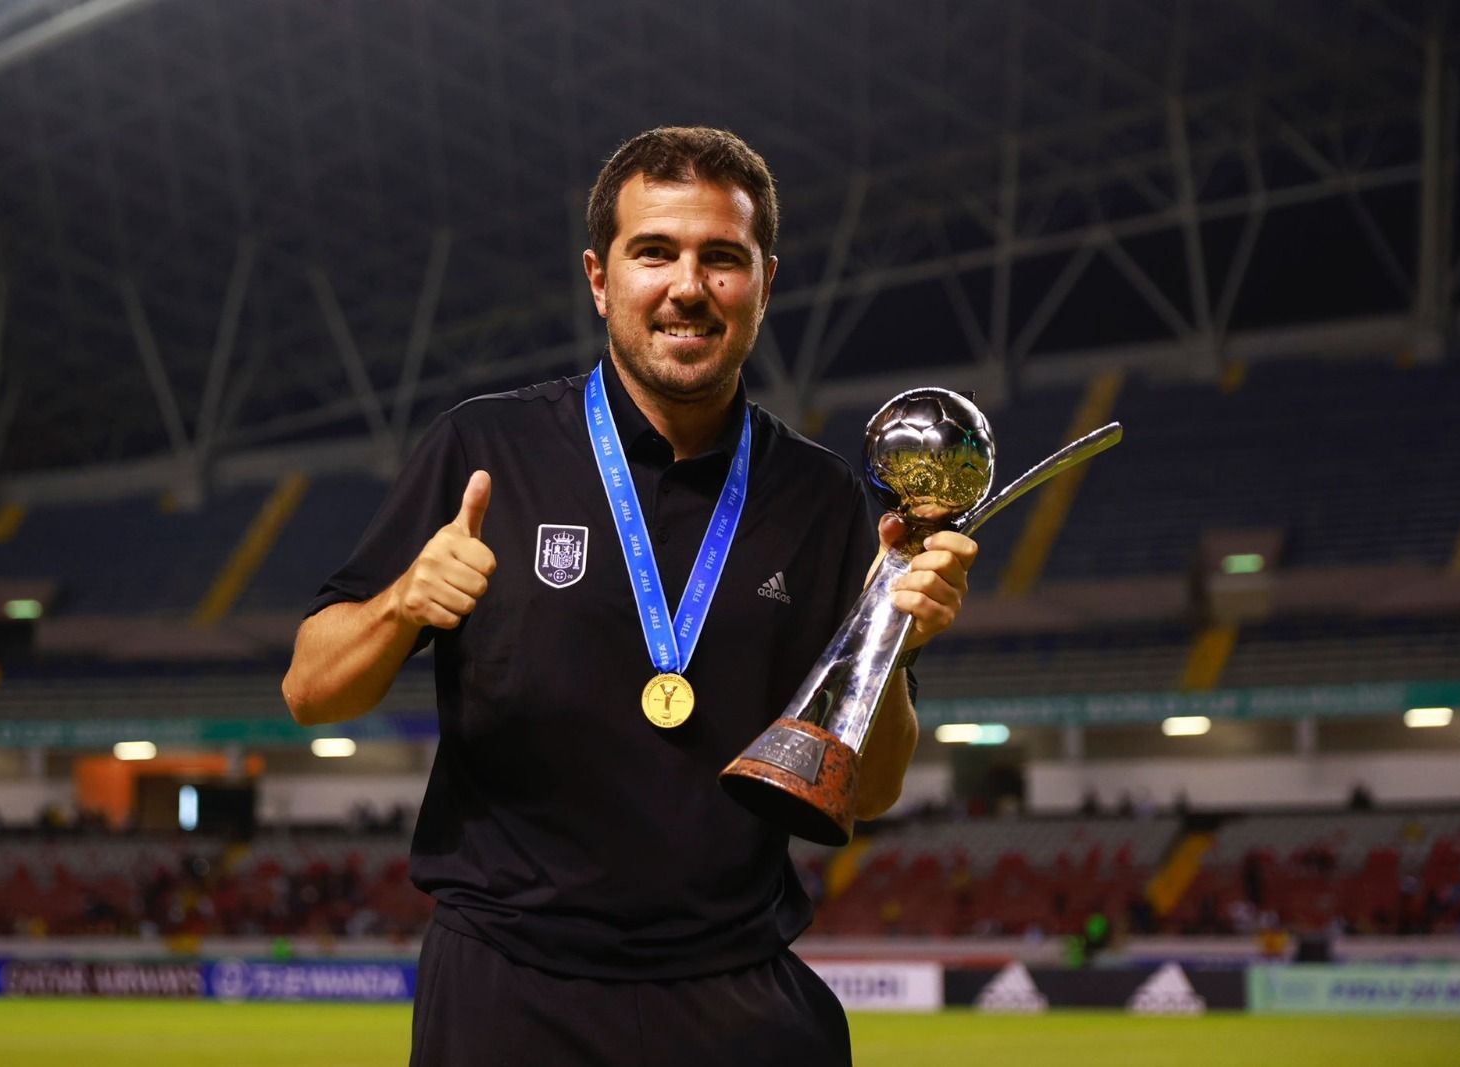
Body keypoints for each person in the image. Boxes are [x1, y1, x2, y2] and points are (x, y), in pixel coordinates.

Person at [283, 126, 977, 1066]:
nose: (688, 286)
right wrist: (405, 598)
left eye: (721, 259)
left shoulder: (821, 500)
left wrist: (886, 643)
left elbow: (875, 787)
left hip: (734, 992)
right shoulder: (487, 450)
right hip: (509, 991)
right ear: (600, 278)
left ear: (764, 283)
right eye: (654, 251)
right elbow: (311, 691)